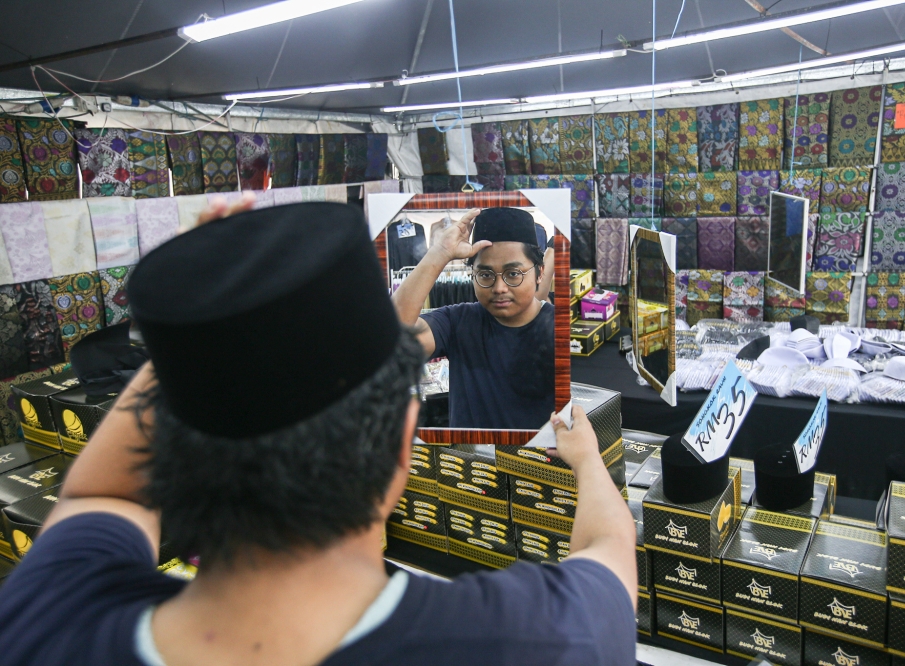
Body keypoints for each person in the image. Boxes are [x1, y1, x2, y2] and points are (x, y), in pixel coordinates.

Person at [0, 199, 637, 666]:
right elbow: (611, 551)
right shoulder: (535, 640)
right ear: (400, 443)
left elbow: (99, 496)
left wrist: (207, 325)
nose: (499, 287)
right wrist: (585, 465)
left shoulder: (48, 623)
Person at [392, 207, 555, 429]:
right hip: (470, 460)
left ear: (540, 272)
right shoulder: (457, 321)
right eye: (485, 275)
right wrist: (440, 252)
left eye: (513, 274)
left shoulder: (556, 327)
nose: (499, 288)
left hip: (535, 460)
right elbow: (393, 336)